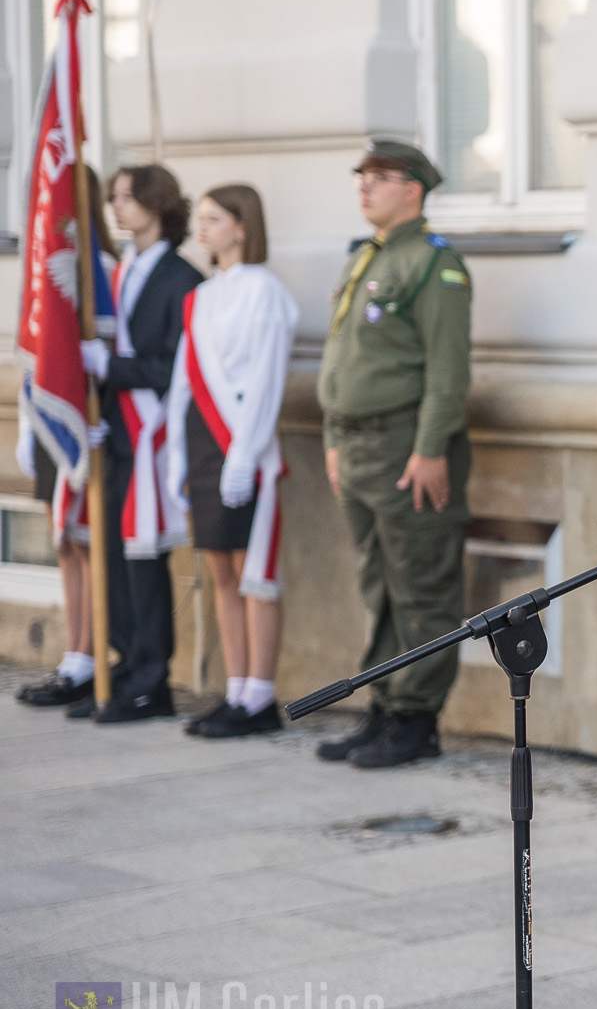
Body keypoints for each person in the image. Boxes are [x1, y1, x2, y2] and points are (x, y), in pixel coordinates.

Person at [313, 141, 473, 770]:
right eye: (362, 177)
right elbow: (341, 364)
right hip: (356, 444)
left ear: (413, 189)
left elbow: (447, 370)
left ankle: (416, 718)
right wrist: (331, 440)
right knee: (378, 582)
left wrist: (431, 449)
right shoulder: (369, 259)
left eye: (379, 178)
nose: (364, 188)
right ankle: (384, 701)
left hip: (404, 445)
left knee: (421, 584)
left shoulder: (434, 265)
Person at [166, 184, 298, 738]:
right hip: (201, 442)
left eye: (215, 218)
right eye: (201, 218)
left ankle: (260, 696)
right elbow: (181, 381)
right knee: (220, 570)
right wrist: (174, 456)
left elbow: (267, 376)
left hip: (242, 442)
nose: (204, 228)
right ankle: (235, 687)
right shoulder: (204, 293)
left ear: (242, 226)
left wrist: (244, 454)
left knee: (253, 573)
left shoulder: (263, 291)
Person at [76, 164, 205, 722]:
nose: (117, 208)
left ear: (158, 204)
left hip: (152, 438)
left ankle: (154, 678)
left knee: (145, 561)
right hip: (115, 434)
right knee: (113, 557)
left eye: (129, 197)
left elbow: (172, 366)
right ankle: (125, 663)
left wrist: (113, 367)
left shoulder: (182, 279)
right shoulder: (118, 270)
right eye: (114, 198)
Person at [15, 167, 117, 710]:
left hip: (87, 426)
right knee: (64, 543)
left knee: (86, 539)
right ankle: (73, 655)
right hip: (55, 424)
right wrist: (32, 425)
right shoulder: (44, 266)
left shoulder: (99, 269)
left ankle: (92, 654)